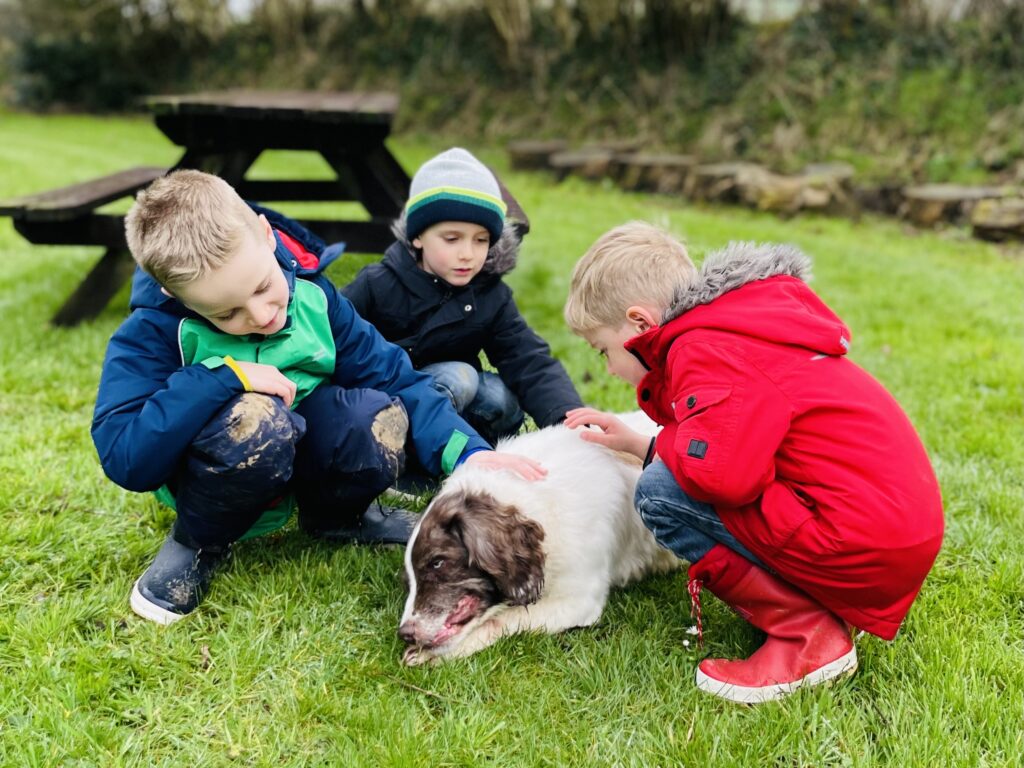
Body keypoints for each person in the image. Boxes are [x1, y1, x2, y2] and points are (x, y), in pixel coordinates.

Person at [92, 170, 545, 626]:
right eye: (227, 312)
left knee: (375, 416)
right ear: (176, 294)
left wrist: (468, 454)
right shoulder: (150, 334)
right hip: (223, 465)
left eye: (263, 288)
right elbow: (126, 456)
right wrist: (220, 378)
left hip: (302, 444)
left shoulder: (315, 299)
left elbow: (398, 378)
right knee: (257, 418)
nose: (263, 316)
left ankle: (338, 516)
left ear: (268, 237)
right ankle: (198, 541)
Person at [562, 221, 944, 704]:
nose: (609, 369)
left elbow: (721, 478)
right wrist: (643, 444)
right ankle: (823, 604)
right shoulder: (735, 328)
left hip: (865, 541)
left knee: (659, 493)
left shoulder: (705, 350)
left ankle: (808, 635)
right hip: (893, 532)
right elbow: (738, 447)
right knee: (669, 474)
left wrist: (658, 457)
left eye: (604, 351)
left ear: (640, 325)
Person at [342, 148, 583, 468]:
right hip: (387, 398)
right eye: (452, 239)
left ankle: (473, 455)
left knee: (501, 397)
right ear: (417, 238)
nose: (468, 254)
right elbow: (333, 335)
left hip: (453, 400)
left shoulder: (491, 294)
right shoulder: (377, 283)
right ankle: (405, 461)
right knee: (462, 376)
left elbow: (529, 359)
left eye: (481, 240)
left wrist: (571, 423)